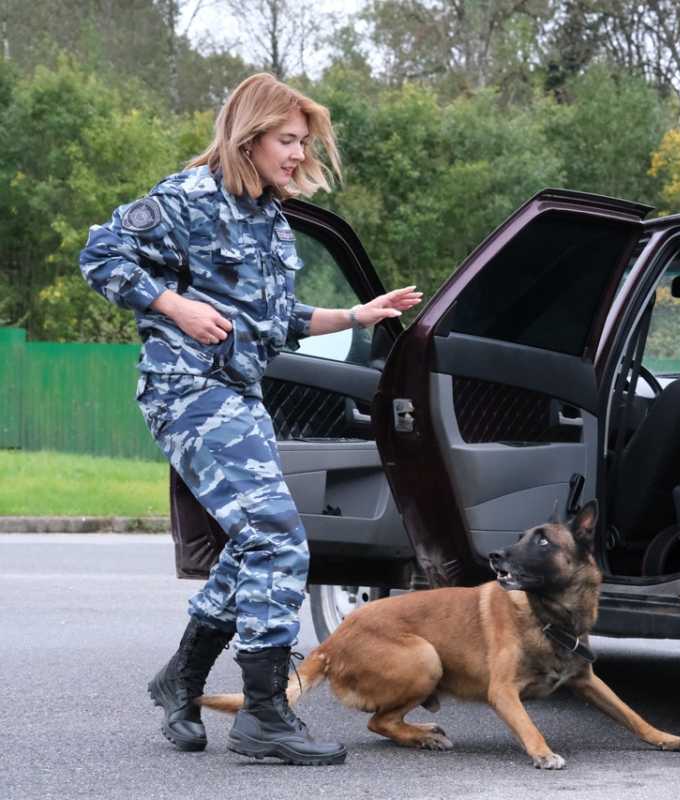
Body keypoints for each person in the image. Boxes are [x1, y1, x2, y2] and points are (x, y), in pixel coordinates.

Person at [79, 73, 422, 766]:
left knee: (253, 541)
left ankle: (181, 675)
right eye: (288, 140)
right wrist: (175, 306)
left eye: (304, 142)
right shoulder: (189, 197)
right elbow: (101, 256)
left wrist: (357, 316)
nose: (298, 154)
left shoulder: (265, 213)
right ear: (250, 135)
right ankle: (264, 713)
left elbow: (278, 320)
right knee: (278, 537)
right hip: (187, 389)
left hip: (238, 391)